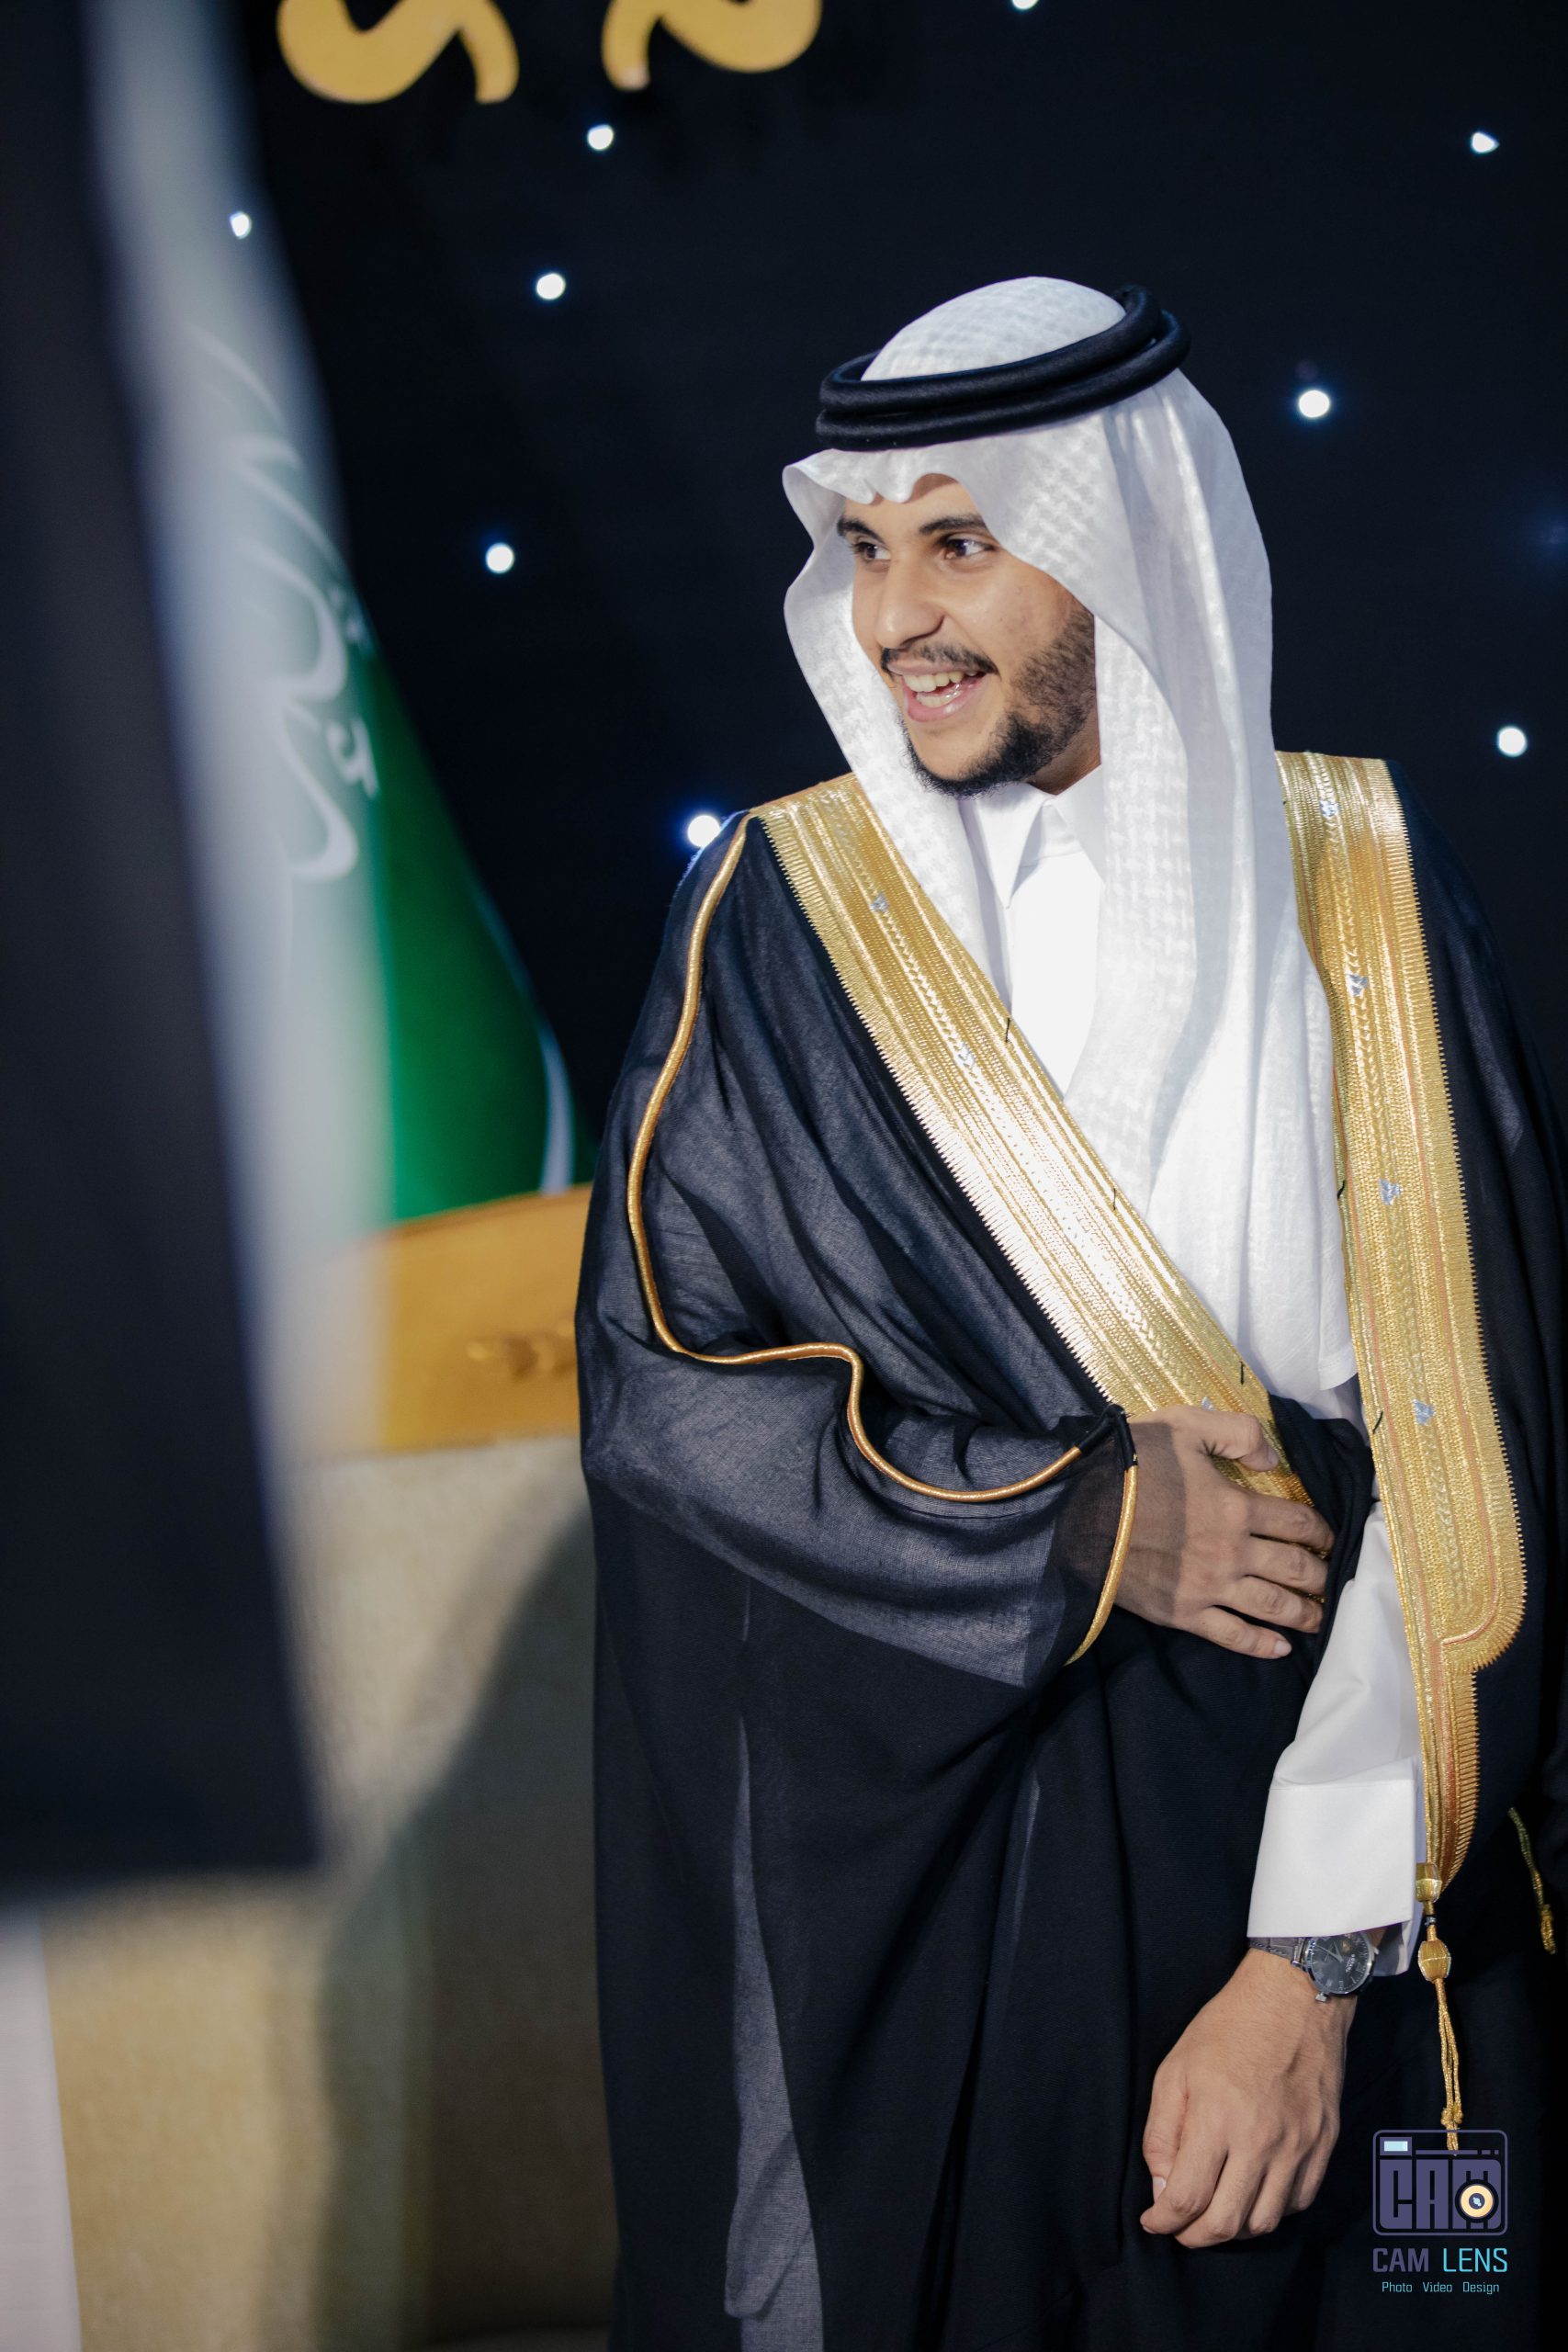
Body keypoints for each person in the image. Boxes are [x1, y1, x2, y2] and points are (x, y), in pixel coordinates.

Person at [577, 277, 1567, 2350]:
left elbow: (1477, 1451)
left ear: (1126, 542)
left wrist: (1306, 1965)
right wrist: (1067, 1524)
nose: (895, 617)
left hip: (1345, 1829)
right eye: (864, 549)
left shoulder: (1370, 878)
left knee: (1423, 2273)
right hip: (953, 1853)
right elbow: (668, 1394)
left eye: (961, 542)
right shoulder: (772, 917)